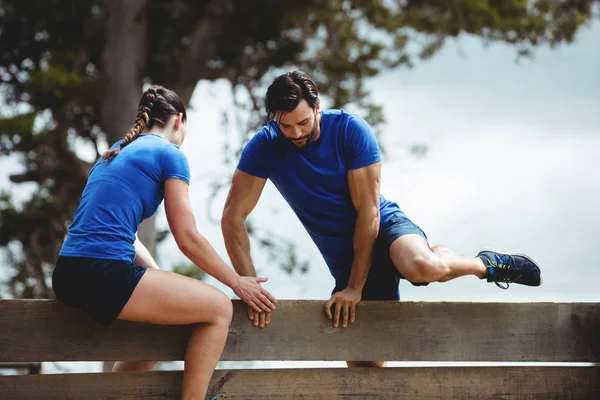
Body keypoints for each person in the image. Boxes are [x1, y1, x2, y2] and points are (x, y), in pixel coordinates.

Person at [220, 70, 541, 366]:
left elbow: (368, 213)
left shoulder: (349, 130)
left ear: (317, 107)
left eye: (303, 122)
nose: (296, 133)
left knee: (423, 267)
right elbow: (232, 216)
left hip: (383, 228)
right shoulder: (266, 146)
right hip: (347, 260)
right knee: (365, 365)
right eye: (285, 126)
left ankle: (486, 264)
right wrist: (248, 283)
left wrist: (355, 287)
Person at [52, 85, 276, 399]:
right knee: (220, 309)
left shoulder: (114, 152)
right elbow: (186, 237)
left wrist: (159, 279)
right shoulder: (170, 154)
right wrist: (238, 283)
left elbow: (123, 237)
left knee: (161, 325)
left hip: (68, 273)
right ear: (178, 121)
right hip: (102, 272)